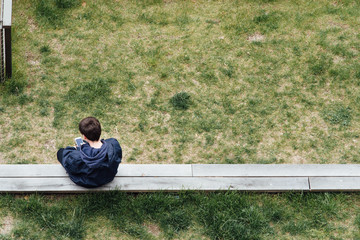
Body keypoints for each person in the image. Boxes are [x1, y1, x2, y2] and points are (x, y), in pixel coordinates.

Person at [57, 117, 122, 188]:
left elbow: (69, 165)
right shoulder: (113, 145)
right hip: (108, 177)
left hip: (87, 182)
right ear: (100, 131)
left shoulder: (76, 157)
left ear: (84, 136)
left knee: (61, 152)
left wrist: (76, 149)